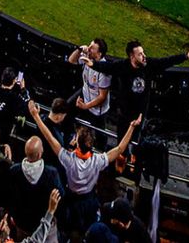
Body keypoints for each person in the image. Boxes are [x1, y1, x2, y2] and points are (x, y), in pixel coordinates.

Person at [28, 99, 140, 235]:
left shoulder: (68, 159)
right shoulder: (98, 161)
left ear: (77, 143)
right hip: (89, 201)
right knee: (86, 230)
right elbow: (120, 148)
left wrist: (35, 116)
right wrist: (132, 127)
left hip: (71, 200)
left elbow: (49, 137)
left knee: (67, 229)